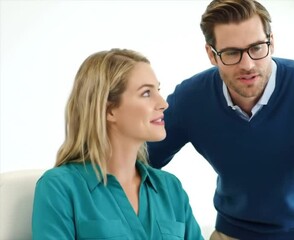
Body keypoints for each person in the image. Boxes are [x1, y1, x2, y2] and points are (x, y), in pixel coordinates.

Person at [147, 0, 294, 239]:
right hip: (230, 232)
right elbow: (144, 159)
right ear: (211, 55)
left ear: (271, 42)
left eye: (256, 48)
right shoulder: (190, 98)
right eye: (232, 53)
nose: (248, 64)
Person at [32, 49, 203, 240]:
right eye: (146, 93)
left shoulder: (170, 188)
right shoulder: (59, 187)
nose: (163, 103)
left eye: (158, 90)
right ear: (109, 110)